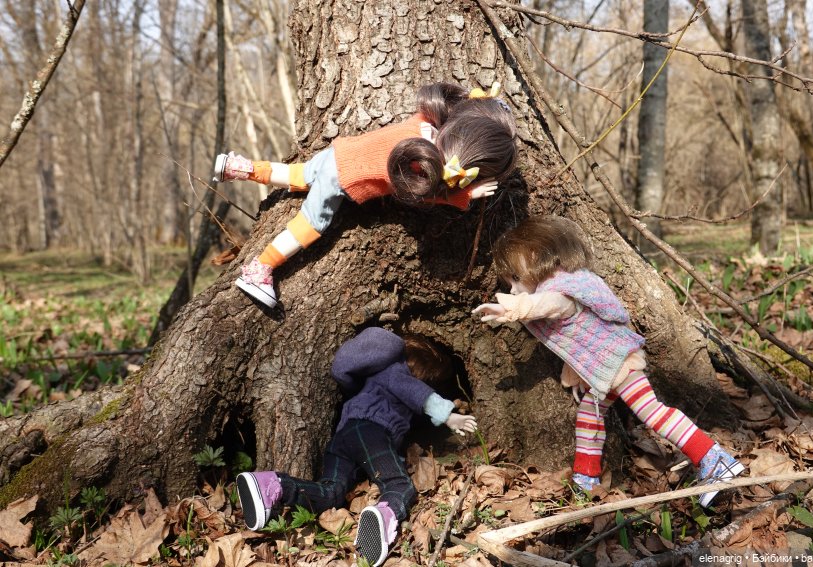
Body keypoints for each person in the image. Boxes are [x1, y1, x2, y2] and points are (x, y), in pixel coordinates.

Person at [472, 215, 745, 507]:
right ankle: (585, 478)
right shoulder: (572, 283)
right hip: (608, 368)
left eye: (515, 278)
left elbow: (548, 306)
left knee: (653, 413)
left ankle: (714, 459)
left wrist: (514, 308)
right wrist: (578, 372)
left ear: (536, 257)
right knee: (590, 414)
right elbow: (578, 339)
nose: (513, 288)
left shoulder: (561, 291)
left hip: (619, 364)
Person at [214, 82, 517, 308]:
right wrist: (461, 196)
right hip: (342, 178)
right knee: (310, 225)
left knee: (297, 174)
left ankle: (238, 167)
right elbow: (419, 195)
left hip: (336, 154)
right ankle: (261, 268)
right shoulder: (419, 164)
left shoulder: (424, 124)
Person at [236, 327, 477, 566]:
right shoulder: (397, 373)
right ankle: (384, 516)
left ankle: (273, 486)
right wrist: (448, 416)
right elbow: (416, 392)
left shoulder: (369, 380)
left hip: (343, 436)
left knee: (331, 492)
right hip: (372, 432)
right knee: (399, 484)